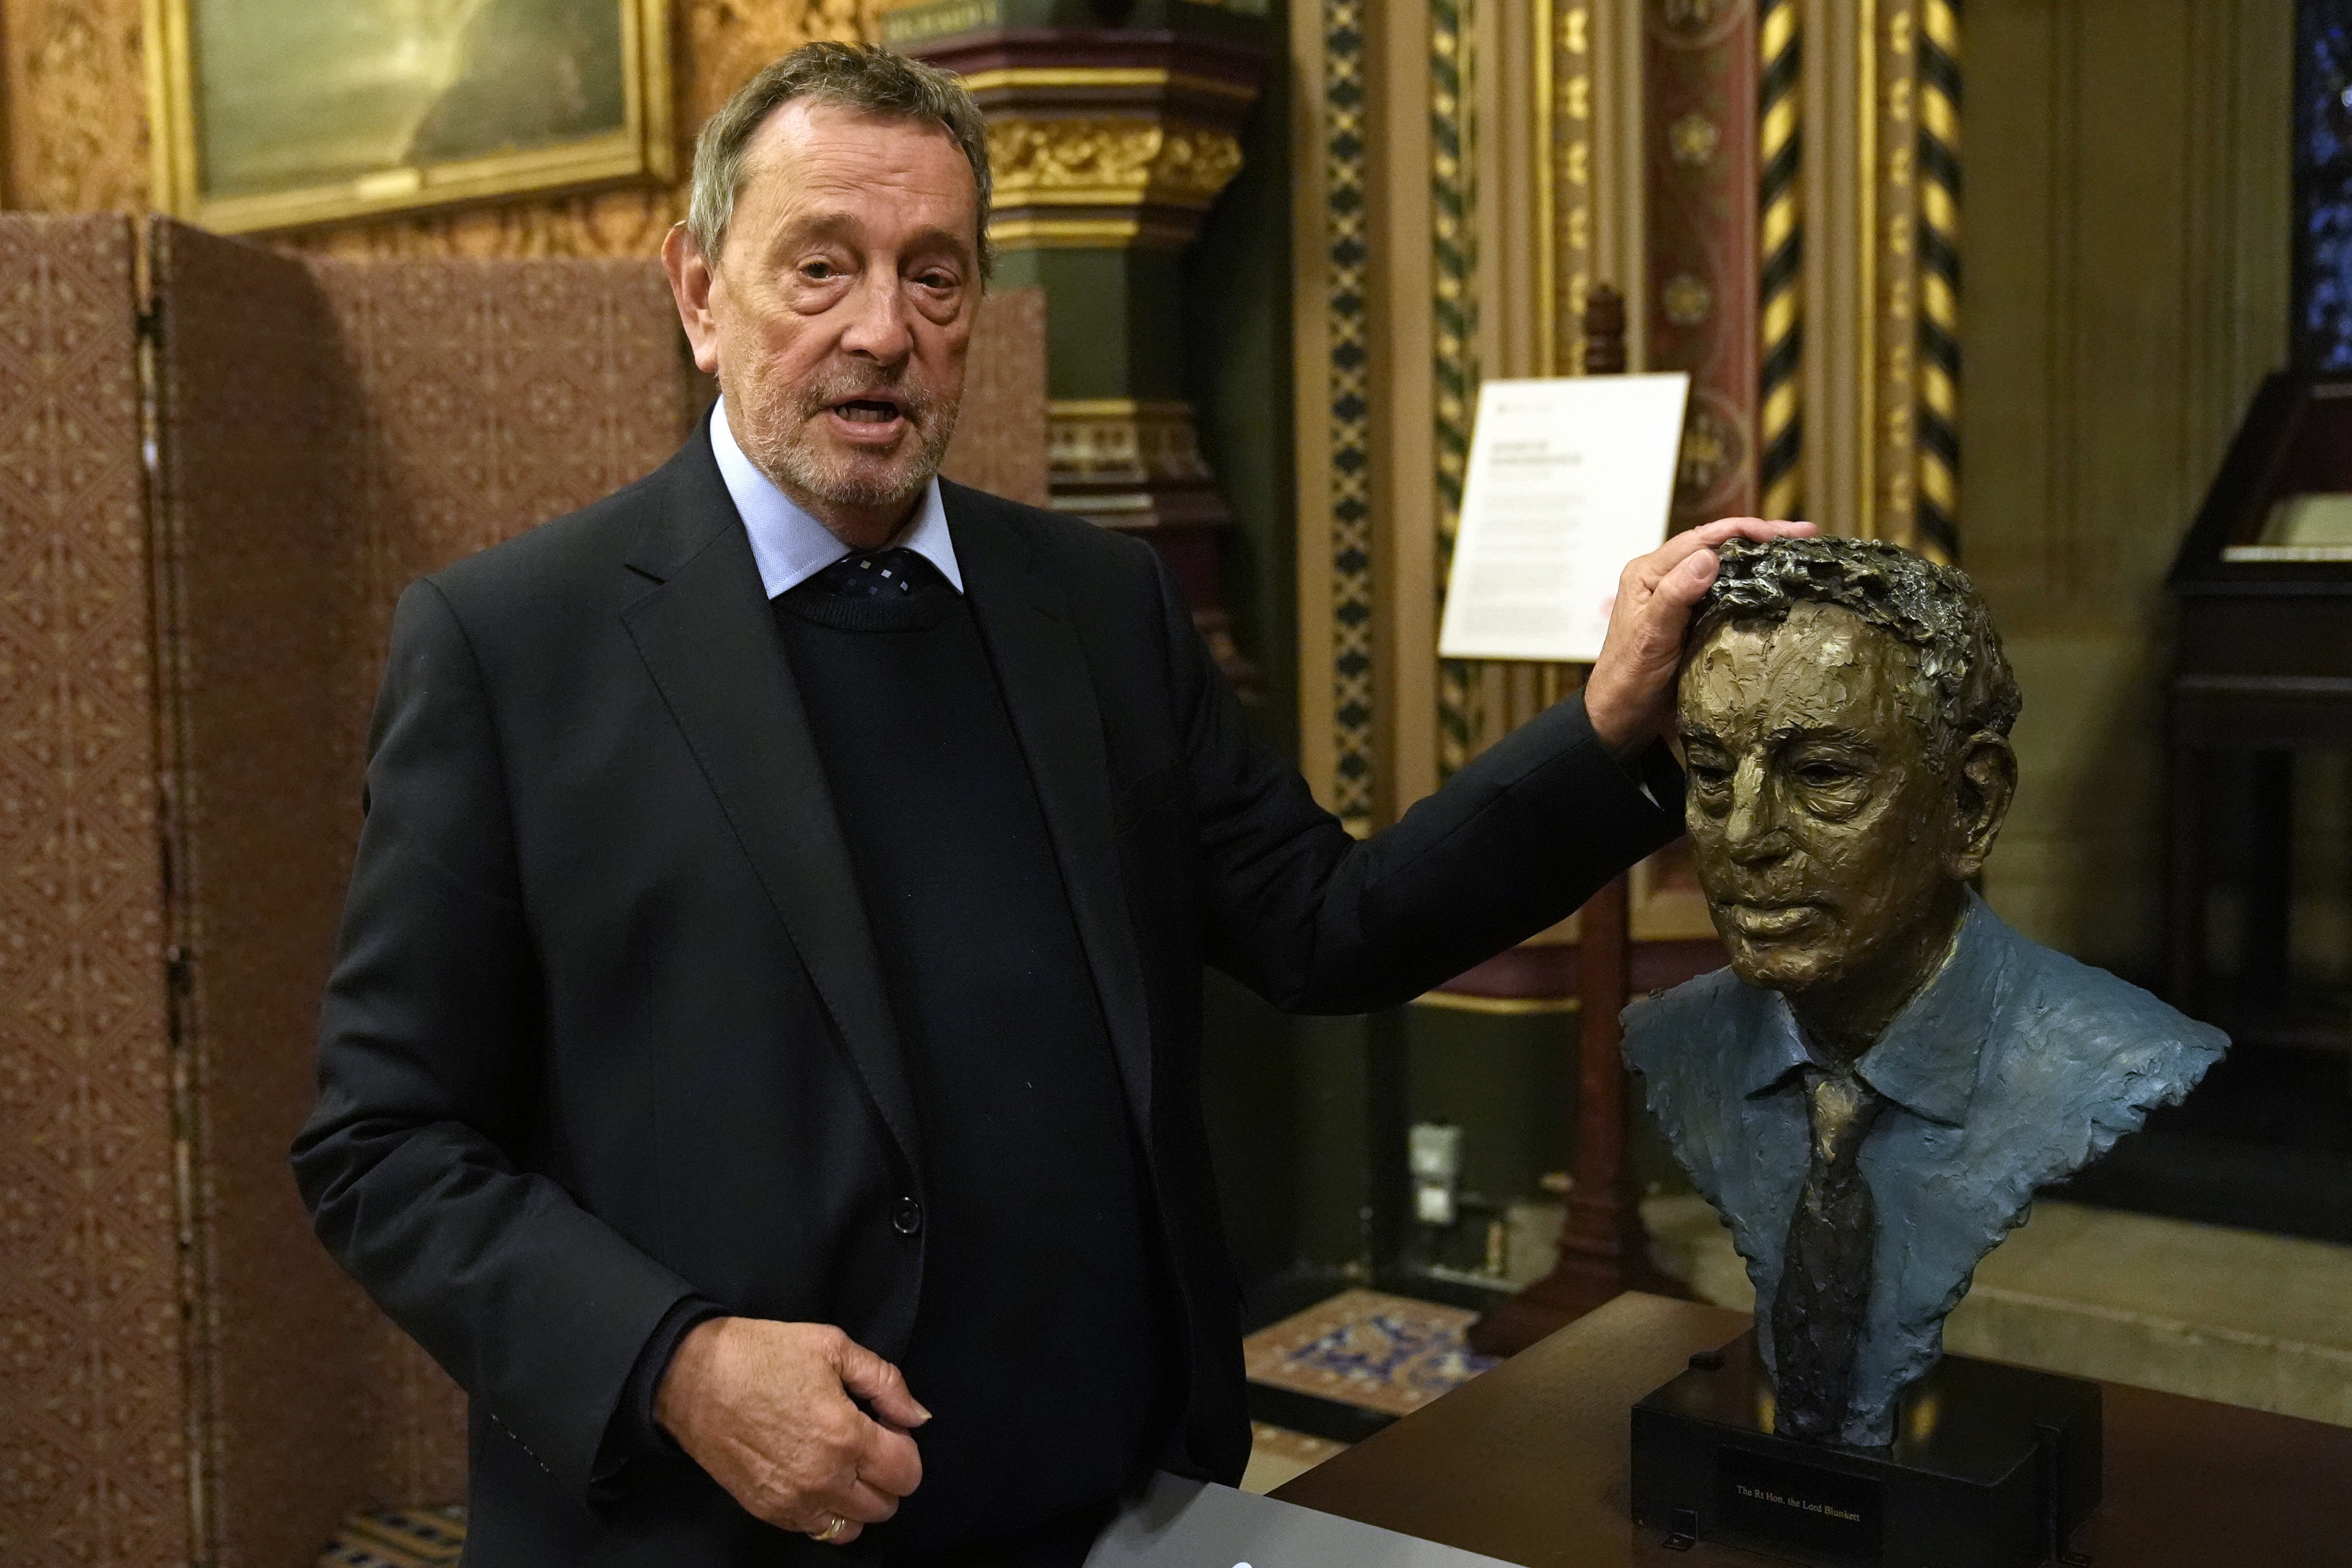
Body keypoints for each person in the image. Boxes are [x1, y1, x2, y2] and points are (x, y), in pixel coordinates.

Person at [293, 41, 1808, 1567]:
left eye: (935, 277)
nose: (882, 331)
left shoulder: (1097, 605)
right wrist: (674, 1363)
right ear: (699, 292)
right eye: (820, 269)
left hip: (1111, 1509)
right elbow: (386, 1145)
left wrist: (1611, 731)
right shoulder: (512, 647)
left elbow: (1328, 926)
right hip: (718, 1527)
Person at [1621, 537, 2226, 1449]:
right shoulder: (1676, 1041)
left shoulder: (2113, 1061)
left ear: (1971, 807)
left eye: (1822, 776)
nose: (1744, 835)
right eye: (1711, 774)